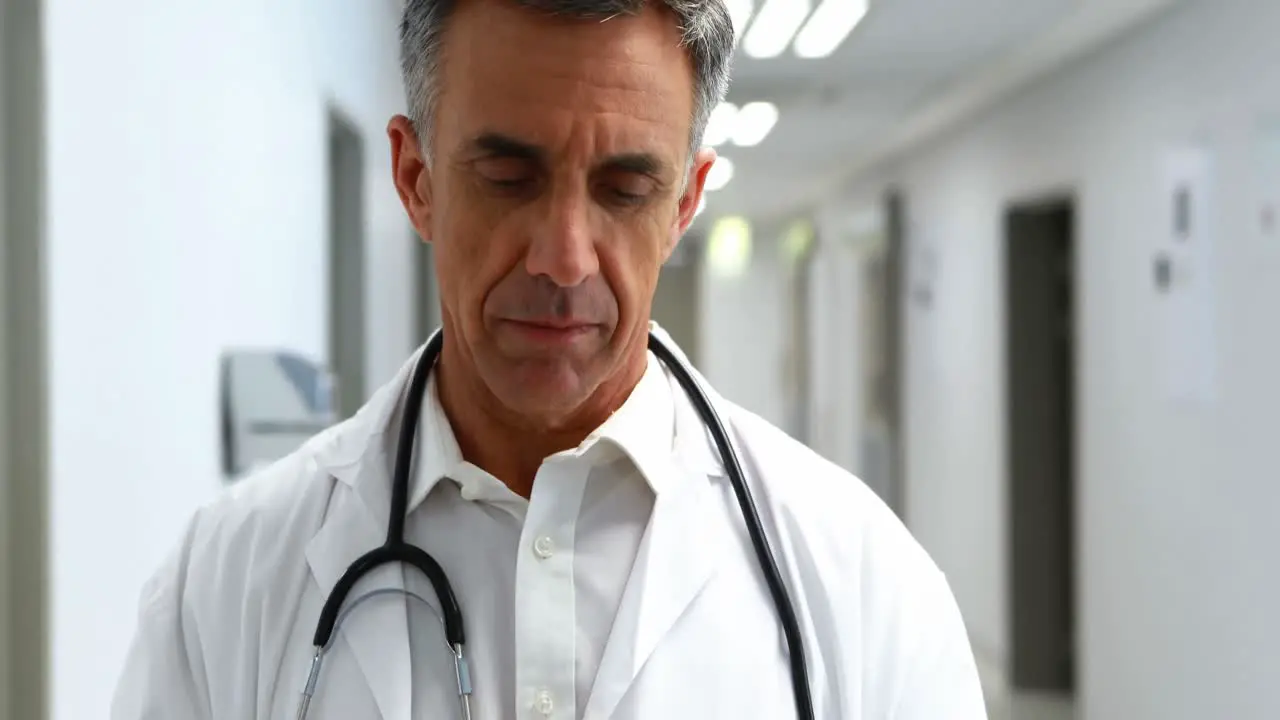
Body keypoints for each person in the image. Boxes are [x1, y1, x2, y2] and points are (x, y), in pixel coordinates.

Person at [111, 0, 987, 717]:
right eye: (508, 178)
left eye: (624, 189)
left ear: (683, 206)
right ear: (416, 179)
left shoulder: (864, 585)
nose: (563, 259)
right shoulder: (226, 584)